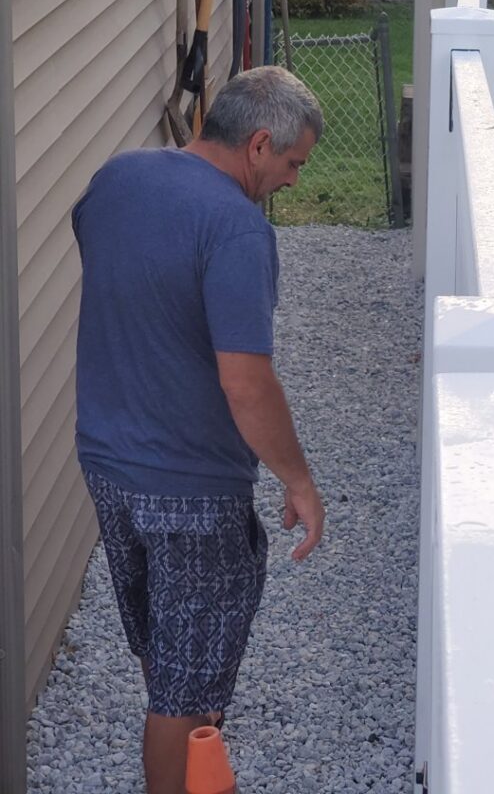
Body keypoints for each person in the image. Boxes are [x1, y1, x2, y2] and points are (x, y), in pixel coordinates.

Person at [72, 66, 327, 794]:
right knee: (181, 697)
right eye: (291, 163)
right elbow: (246, 384)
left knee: (169, 652)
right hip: (189, 490)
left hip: (106, 462)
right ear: (256, 145)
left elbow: (114, 269)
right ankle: (180, 771)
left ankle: (196, 767)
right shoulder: (237, 229)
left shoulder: (117, 180)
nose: (293, 181)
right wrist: (300, 480)